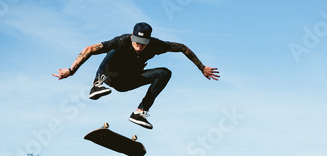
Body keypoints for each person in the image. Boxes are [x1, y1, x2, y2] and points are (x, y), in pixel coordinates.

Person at [53, 22, 220, 129]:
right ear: (132, 37)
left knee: (165, 73)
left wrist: (202, 67)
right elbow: (89, 49)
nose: (139, 47)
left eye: (143, 44)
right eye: (136, 43)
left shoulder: (156, 45)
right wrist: (71, 70)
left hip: (130, 80)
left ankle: (139, 112)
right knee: (113, 51)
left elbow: (182, 47)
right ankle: (97, 84)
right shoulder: (122, 40)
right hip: (112, 77)